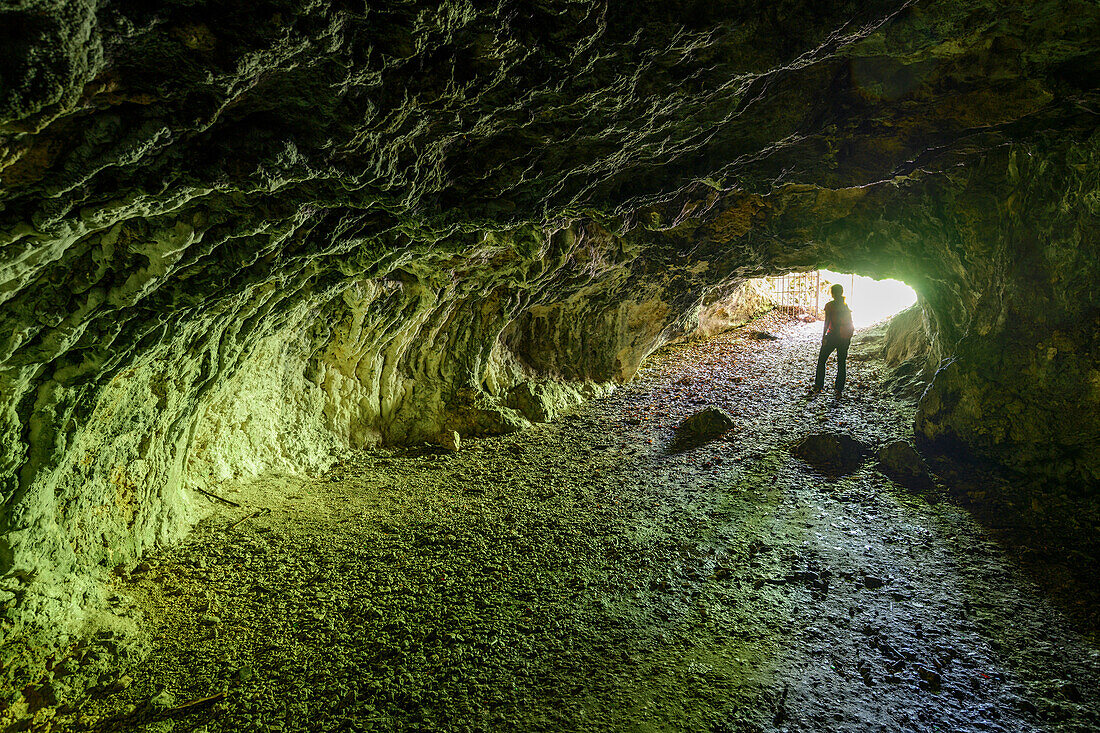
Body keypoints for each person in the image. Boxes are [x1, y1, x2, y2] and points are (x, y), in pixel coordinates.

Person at [813, 283, 854, 396]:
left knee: (822, 360)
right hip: (844, 337)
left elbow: (827, 322)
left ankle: (819, 385)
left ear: (833, 293)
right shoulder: (845, 306)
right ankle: (839, 388)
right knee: (841, 363)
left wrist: (823, 337)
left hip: (832, 336)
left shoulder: (830, 305)